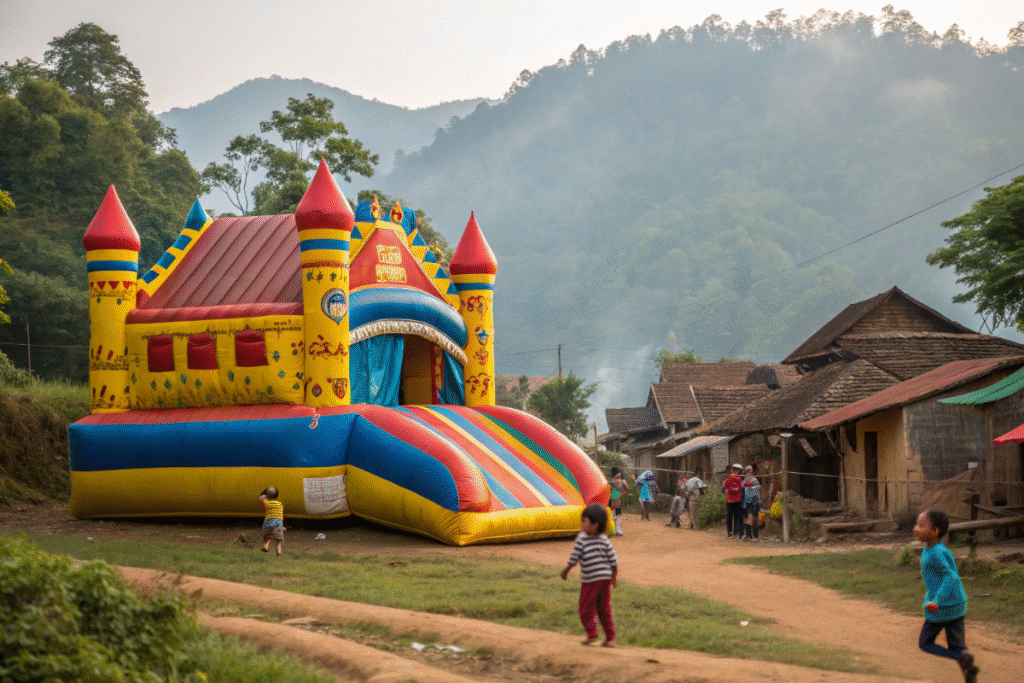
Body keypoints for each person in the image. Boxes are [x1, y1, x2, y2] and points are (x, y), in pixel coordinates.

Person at [913, 509, 978, 683]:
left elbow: (950, 576)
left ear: (935, 531)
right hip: (957, 604)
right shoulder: (936, 549)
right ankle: (967, 670)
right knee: (958, 647)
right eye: (916, 524)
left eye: (921, 525)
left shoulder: (935, 552)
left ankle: (960, 658)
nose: (915, 528)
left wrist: (936, 600)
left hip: (942, 607)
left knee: (925, 643)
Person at [560, 503, 618, 648]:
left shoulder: (582, 539)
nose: (581, 524)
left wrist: (565, 570)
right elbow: (613, 561)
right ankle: (610, 638)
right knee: (604, 608)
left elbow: (574, 558)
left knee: (585, 607)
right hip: (605, 579)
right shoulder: (604, 539)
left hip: (591, 580)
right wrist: (613, 578)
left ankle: (592, 633)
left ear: (594, 524)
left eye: (584, 521)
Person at [259, 486, 285, 556]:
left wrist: (265, 491)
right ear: (277, 495)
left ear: (267, 495)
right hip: (278, 523)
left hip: (269, 523)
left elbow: (261, 497)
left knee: (268, 537)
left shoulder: (267, 503)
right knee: (279, 540)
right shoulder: (280, 504)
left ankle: (266, 547)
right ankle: (278, 552)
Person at [722, 464, 744, 538]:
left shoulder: (728, 478)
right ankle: (736, 532)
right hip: (738, 500)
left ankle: (729, 532)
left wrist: (728, 492)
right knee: (736, 517)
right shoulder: (740, 479)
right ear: (737, 471)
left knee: (729, 516)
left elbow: (723, 487)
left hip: (730, 500)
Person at [741, 465, 761, 541]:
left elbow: (758, 487)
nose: (748, 472)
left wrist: (752, 486)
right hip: (746, 501)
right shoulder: (744, 480)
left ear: (751, 471)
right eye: (747, 470)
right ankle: (748, 535)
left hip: (754, 501)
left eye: (749, 470)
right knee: (746, 518)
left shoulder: (754, 480)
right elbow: (742, 488)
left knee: (754, 518)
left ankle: (755, 536)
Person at [608, 467, 629, 535]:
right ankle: (618, 530)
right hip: (617, 499)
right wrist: (622, 494)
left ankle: (612, 529)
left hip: (610, 500)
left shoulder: (610, 481)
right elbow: (627, 488)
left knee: (611, 514)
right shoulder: (622, 481)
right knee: (618, 514)